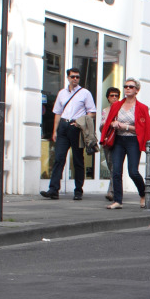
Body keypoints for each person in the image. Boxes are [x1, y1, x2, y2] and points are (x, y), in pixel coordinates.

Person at [43, 68, 96, 200]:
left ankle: (78, 190)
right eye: (72, 77)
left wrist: (80, 122)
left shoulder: (85, 93)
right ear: (68, 77)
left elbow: (92, 112)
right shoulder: (62, 93)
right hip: (63, 126)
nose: (75, 79)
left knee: (78, 159)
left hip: (76, 127)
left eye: (77, 77)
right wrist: (55, 130)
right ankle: (53, 189)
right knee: (59, 158)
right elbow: (57, 112)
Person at [107, 78, 150, 210]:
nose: (127, 89)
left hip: (133, 140)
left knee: (133, 171)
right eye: (126, 86)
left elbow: (144, 128)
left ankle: (143, 194)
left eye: (131, 87)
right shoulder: (117, 105)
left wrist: (124, 126)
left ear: (137, 90)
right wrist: (113, 124)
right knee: (116, 171)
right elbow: (110, 121)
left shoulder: (142, 108)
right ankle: (118, 200)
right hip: (118, 140)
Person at [101, 87, 120, 201]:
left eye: (116, 96)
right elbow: (101, 126)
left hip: (118, 141)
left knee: (115, 166)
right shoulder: (105, 110)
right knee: (110, 165)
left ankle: (111, 191)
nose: (114, 98)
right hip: (108, 141)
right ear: (108, 98)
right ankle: (116, 189)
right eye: (112, 95)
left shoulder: (122, 109)